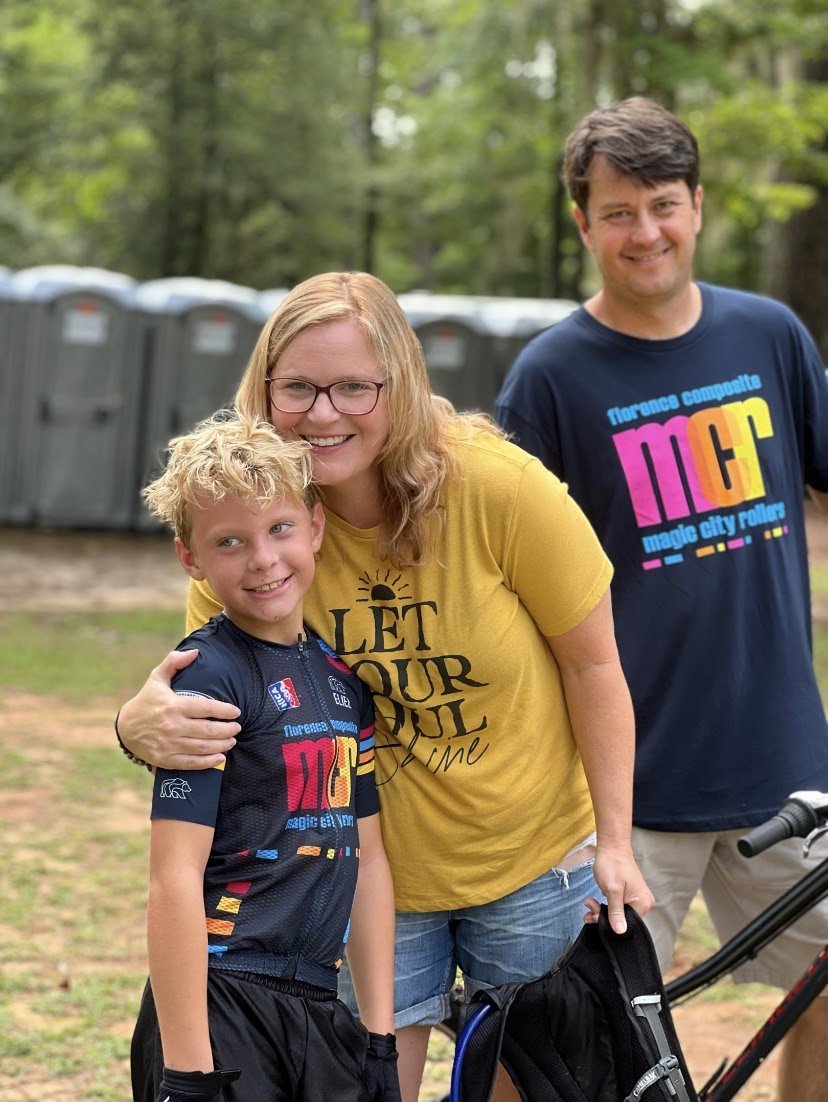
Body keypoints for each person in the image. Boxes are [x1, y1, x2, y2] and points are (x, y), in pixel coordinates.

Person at [116, 271, 653, 1102]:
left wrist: (614, 842)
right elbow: (217, 686)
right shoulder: (258, 529)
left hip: (528, 860)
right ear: (264, 389)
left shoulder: (500, 489)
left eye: (354, 387)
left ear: (398, 383)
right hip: (369, 880)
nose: (323, 411)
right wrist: (135, 722)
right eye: (296, 386)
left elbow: (594, 665)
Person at [493, 96, 828, 1102]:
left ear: (698, 206)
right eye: (620, 211)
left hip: (783, 769)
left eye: (665, 205)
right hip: (622, 792)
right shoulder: (550, 377)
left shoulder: (768, 335)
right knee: (560, 1032)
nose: (647, 231)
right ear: (582, 222)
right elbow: (506, 589)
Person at [129, 412, 400, 1102]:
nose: (262, 559)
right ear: (190, 558)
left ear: (314, 526)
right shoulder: (206, 678)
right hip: (223, 999)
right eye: (230, 542)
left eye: (279, 529)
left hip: (318, 1005)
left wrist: (379, 1035)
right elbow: (174, 878)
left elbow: (365, 861)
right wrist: (190, 1070)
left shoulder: (344, 684)